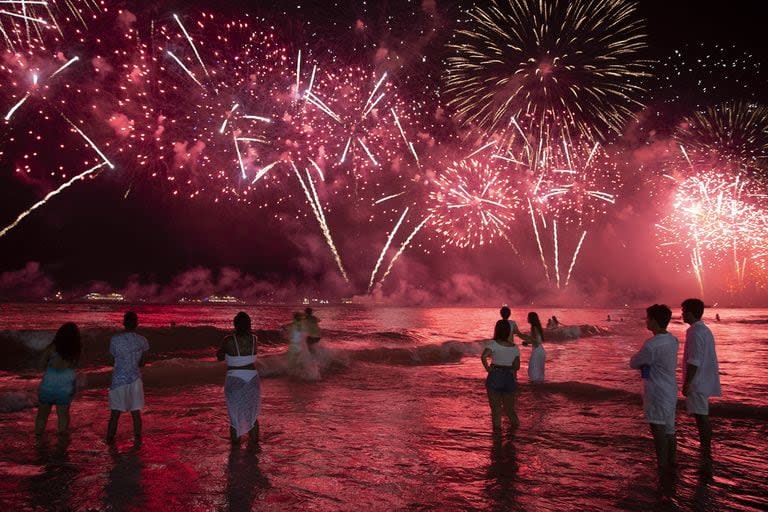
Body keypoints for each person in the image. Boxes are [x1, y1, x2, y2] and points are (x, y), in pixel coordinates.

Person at [629, 304, 678, 471]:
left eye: (648, 318)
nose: (646, 321)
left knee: (658, 430)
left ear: (655, 321)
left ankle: (662, 466)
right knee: (670, 430)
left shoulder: (651, 344)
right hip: (671, 390)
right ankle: (672, 462)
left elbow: (634, 362)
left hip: (656, 392)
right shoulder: (673, 340)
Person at [681, 298, 722, 466]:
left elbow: (694, 360)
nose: (682, 314)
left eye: (684, 311)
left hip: (697, 381)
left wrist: (687, 382)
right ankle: (705, 447)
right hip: (703, 379)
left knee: (701, 416)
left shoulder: (696, 332)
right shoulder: (704, 330)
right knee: (701, 415)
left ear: (690, 313)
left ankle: (706, 449)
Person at [217, 312, 260, 446]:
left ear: (235, 324)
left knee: (234, 414)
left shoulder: (228, 340)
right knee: (251, 415)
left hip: (235, 378)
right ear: (249, 324)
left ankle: (235, 446)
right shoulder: (254, 339)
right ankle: (253, 445)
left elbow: (219, 356)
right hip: (252, 378)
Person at [106, 311, 149, 445]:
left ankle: (110, 440)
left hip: (119, 379)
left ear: (123, 323)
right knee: (135, 413)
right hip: (135, 378)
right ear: (137, 323)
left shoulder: (115, 340)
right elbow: (142, 363)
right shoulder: (142, 340)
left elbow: (111, 360)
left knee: (115, 414)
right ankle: (137, 440)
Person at [35, 322, 81, 436]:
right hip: (65, 388)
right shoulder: (75, 351)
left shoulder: (51, 348)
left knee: (42, 416)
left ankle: (38, 441)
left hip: (48, 386)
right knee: (63, 416)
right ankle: (61, 443)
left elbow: (41, 366)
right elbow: (74, 370)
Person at [481, 319, 521, 432]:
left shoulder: (493, 344)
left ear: (497, 330)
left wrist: (488, 368)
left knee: (496, 411)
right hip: (509, 377)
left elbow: (483, 356)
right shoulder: (514, 347)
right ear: (508, 331)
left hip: (495, 376)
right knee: (510, 410)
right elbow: (517, 366)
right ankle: (516, 433)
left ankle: (497, 439)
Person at [522, 312, 546, 383]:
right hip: (540, 350)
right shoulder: (537, 327)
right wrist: (528, 342)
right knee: (539, 372)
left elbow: (536, 342)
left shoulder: (534, 328)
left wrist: (527, 342)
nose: (527, 318)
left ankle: (534, 390)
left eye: (528, 317)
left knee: (533, 371)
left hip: (537, 351)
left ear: (531, 318)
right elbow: (537, 341)